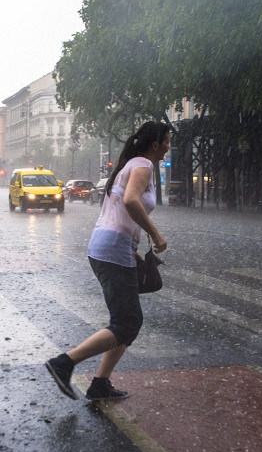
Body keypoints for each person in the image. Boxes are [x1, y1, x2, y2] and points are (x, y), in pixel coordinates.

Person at [45, 121, 170, 401]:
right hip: (112, 247)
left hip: (111, 245)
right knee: (127, 322)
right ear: (155, 144)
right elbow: (130, 202)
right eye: (167, 141)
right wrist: (156, 235)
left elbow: (118, 212)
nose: (168, 146)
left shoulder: (129, 165)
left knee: (127, 320)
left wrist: (133, 246)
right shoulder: (143, 166)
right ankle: (64, 362)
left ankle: (100, 383)